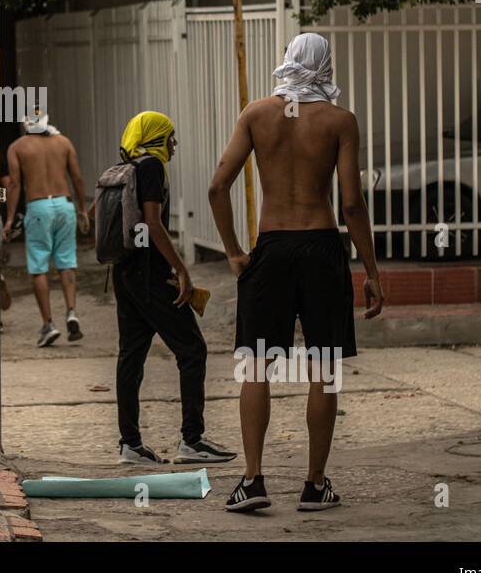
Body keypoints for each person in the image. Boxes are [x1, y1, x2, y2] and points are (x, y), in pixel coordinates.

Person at [208, 32, 384, 512]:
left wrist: (234, 254)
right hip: (321, 248)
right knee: (323, 371)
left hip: (271, 248)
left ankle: (252, 481)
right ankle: (313, 484)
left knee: (257, 366)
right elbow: (351, 202)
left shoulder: (257, 114)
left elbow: (217, 186)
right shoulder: (339, 121)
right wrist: (370, 270)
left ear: (286, 61)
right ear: (326, 65)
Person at [111, 111, 238, 466]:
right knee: (192, 350)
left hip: (124, 275)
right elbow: (153, 223)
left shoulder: (126, 168)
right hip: (151, 277)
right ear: (156, 138)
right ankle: (192, 440)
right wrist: (181, 269)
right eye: (170, 136)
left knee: (131, 356)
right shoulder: (151, 167)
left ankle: (130, 445)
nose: (174, 144)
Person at [2, 112, 90, 347]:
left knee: (39, 266)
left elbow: (15, 185)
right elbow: (78, 179)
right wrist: (82, 209)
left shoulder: (18, 147)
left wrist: (10, 219)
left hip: (38, 206)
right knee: (67, 262)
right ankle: (72, 312)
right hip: (64, 205)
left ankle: (48, 324)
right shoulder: (63, 142)